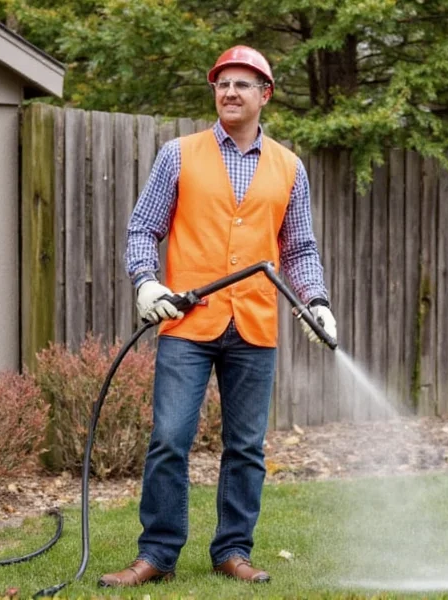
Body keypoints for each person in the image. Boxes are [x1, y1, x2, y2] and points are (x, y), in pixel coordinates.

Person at [99, 45, 336, 588]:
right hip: (189, 323)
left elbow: (299, 248)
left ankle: (232, 550)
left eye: (242, 84)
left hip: (255, 325)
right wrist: (146, 281)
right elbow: (142, 229)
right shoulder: (178, 155)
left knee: (247, 448)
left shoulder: (289, 167)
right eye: (222, 83)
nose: (230, 92)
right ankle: (156, 555)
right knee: (169, 439)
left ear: (264, 95)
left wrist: (316, 300)